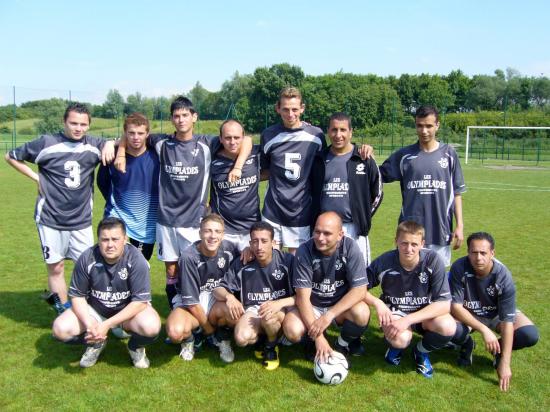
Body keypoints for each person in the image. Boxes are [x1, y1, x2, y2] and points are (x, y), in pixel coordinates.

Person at [115, 96, 252, 307]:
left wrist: (238, 166)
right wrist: (121, 153)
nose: (181, 120)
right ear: (171, 119)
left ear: (194, 117)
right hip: (166, 221)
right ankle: (177, 310)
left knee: (197, 270)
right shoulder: (162, 142)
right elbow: (131, 133)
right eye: (176, 116)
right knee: (172, 271)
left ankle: (200, 315)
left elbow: (247, 140)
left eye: (185, 115)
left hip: (193, 222)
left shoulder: (207, 143)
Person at [4, 102, 115, 313]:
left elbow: (124, 142)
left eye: (83, 124)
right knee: (56, 267)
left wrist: (109, 142)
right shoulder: (47, 143)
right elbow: (10, 156)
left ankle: (92, 310)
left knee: (89, 268)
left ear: (89, 126)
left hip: (81, 221)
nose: (78, 128)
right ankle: (65, 311)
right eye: (73, 123)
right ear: (64, 122)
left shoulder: (93, 145)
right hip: (50, 219)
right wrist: (36, 177)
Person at [51, 217, 161, 368]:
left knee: (151, 326)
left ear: (124, 239)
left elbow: (139, 302)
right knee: (60, 329)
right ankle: (97, 343)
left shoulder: (136, 259)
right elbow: (77, 296)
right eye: (105, 240)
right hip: (95, 312)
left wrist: (108, 325)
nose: (110, 245)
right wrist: (91, 325)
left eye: (115, 239)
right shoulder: (87, 257)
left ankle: (135, 347)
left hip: (126, 314)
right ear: (98, 240)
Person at [365, 220, 458, 378]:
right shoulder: (384, 261)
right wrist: (378, 303)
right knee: (401, 339)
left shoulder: (433, 261)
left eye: (414, 244)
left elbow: (443, 304)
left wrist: (408, 320)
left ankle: (420, 352)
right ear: (396, 242)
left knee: (448, 326)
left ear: (422, 243)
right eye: (404, 243)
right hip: (396, 312)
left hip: (424, 314)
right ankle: (396, 349)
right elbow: (358, 288)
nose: (409, 249)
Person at [449, 232, 539, 392]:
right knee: (447, 328)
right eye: (474, 252)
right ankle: (467, 343)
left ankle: (498, 353)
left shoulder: (503, 276)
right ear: (468, 252)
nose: (478, 258)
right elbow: (455, 307)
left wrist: (505, 363)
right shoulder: (459, 267)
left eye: (483, 253)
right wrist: (484, 330)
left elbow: (507, 321)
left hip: (496, 314)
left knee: (529, 334)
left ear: (492, 253)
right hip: (469, 313)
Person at [379, 105, 466, 266]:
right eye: (420, 125)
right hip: (409, 234)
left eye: (429, 126)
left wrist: (460, 226)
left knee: (437, 283)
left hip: (440, 230)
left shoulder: (449, 154)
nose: (424, 131)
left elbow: (457, 193)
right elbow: (376, 175)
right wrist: (364, 155)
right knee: (408, 279)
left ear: (437, 126)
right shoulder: (404, 155)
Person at [283, 211, 370, 363]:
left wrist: (329, 315)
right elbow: (303, 298)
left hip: (337, 306)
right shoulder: (305, 250)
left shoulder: (350, 247)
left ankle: (341, 344)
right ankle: (312, 341)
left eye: (327, 233)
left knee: (362, 312)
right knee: (292, 330)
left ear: (340, 234)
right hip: (313, 306)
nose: (320, 238)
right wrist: (319, 337)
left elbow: (360, 290)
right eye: (317, 231)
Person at [213, 221, 295, 370]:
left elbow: (302, 295)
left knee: (269, 318)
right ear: (250, 243)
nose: (259, 246)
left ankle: (271, 346)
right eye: (255, 241)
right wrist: (229, 297)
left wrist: (279, 303)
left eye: (264, 241)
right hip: (253, 310)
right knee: (241, 338)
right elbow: (218, 289)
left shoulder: (287, 261)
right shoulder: (243, 262)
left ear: (273, 242)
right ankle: (262, 339)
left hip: (279, 310)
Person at [165, 214, 240, 363]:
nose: (213, 236)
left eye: (217, 232)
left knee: (237, 314)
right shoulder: (189, 257)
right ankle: (190, 339)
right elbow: (192, 302)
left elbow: (244, 263)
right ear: (200, 233)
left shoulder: (229, 249)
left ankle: (223, 339)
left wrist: (248, 251)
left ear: (223, 234)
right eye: (208, 231)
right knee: (175, 332)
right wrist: (209, 330)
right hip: (191, 301)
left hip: (214, 297)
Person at [311, 112, 383, 265]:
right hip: (325, 230)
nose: (338, 135)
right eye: (334, 130)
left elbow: (378, 192)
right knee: (326, 276)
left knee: (359, 277)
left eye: (343, 130)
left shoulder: (363, 158)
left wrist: (362, 216)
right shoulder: (319, 159)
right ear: (328, 132)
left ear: (351, 132)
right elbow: (310, 193)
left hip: (353, 228)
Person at [260, 87, 326, 253]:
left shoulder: (316, 136)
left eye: (295, 109)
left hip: (301, 212)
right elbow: (265, 169)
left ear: (302, 108)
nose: (290, 114)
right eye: (286, 109)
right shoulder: (268, 135)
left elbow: (332, 158)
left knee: (297, 266)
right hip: (272, 211)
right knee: (269, 263)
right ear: (278, 108)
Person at [97, 112, 159, 260]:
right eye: (131, 133)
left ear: (147, 134)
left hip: (145, 225)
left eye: (140, 133)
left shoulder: (157, 156)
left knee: (138, 265)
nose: (136, 137)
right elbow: (102, 183)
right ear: (125, 134)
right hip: (116, 216)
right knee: (112, 262)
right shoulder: (111, 156)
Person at [210, 119, 261, 250]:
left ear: (243, 137)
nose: (232, 142)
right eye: (227, 138)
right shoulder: (212, 159)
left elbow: (272, 171)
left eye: (236, 137)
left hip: (252, 229)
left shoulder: (255, 155)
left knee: (250, 269)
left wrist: (238, 167)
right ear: (220, 139)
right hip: (223, 230)